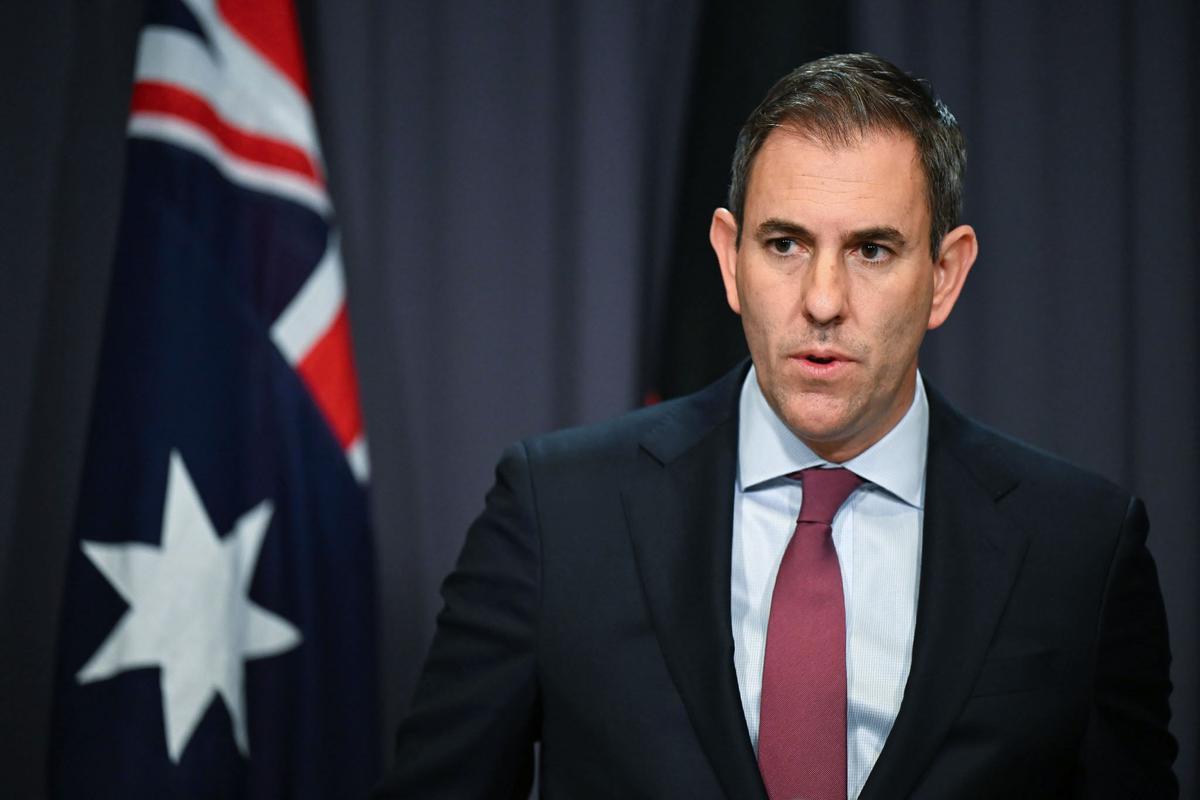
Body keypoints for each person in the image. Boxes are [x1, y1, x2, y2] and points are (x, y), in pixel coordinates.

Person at [373, 53, 1177, 799]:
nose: (823, 300)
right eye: (785, 243)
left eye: (871, 250)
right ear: (730, 259)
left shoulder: (1080, 547)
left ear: (944, 275)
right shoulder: (556, 513)